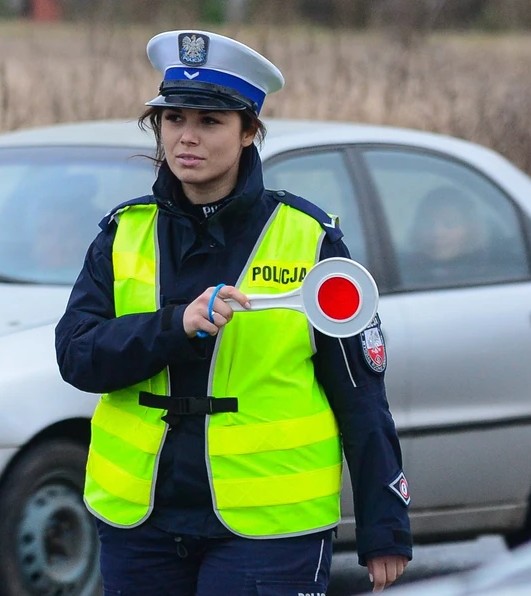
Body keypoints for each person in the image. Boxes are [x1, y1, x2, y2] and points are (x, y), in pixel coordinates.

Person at [55, 30, 411, 595]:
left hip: (270, 529)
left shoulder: (311, 240)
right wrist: (175, 325)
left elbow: (361, 393)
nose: (186, 138)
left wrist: (384, 525)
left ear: (249, 132)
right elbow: (77, 356)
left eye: (210, 122)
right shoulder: (123, 233)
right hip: (140, 522)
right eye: (174, 120)